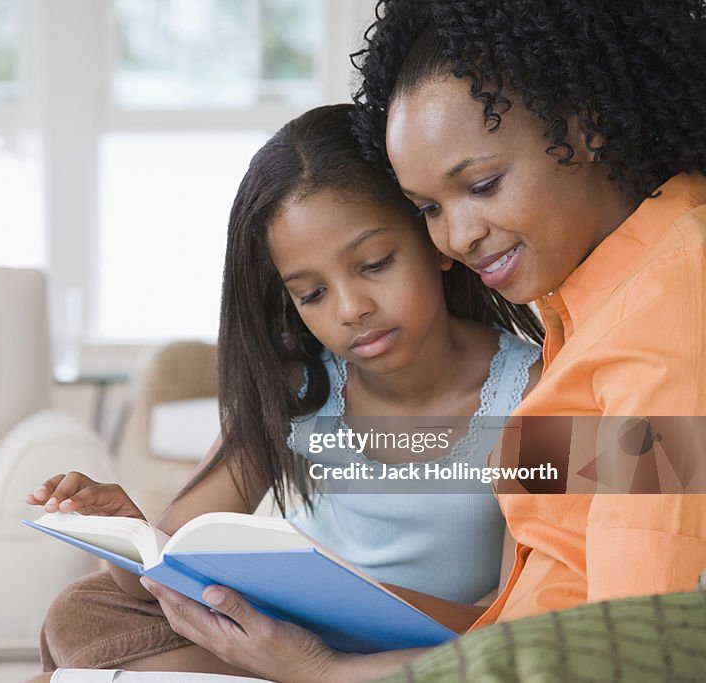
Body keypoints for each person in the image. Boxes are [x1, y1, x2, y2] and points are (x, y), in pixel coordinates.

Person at [129, 2, 706, 682]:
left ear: (584, 126)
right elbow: (535, 598)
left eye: (483, 185)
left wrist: (324, 670)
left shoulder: (659, 325)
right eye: (430, 207)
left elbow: (636, 654)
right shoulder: (591, 302)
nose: (457, 239)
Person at [27, 103, 543, 683]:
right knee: (81, 612)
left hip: (429, 655)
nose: (351, 310)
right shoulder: (301, 385)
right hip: (282, 639)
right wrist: (125, 530)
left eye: (375, 264)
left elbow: (520, 624)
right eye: (312, 293)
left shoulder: (532, 393)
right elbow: (165, 565)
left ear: (433, 235)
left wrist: (337, 633)